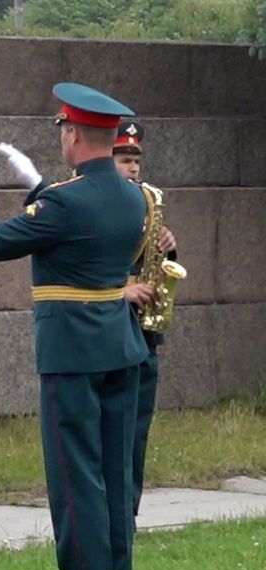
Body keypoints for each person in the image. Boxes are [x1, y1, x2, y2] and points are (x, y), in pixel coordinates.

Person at [0, 83, 149, 570]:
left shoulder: (66, 200)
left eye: (63, 129)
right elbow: (77, 223)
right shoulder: (133, 195)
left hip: (72, 347)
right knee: (115, 469)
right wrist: (41, 187)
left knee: (75, 473)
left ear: (72, 134)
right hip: (119, 341)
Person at [111, 121, 178, 514]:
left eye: (136, 160)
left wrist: (168, 249)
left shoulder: (147, 205)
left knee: (137, 432)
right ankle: (113, 513)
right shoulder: (92, 205)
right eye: (124, 160)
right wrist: (122, 291)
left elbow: (155, 266)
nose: (133, 168)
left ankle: (128, 511)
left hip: (144, 330)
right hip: (110, 327)